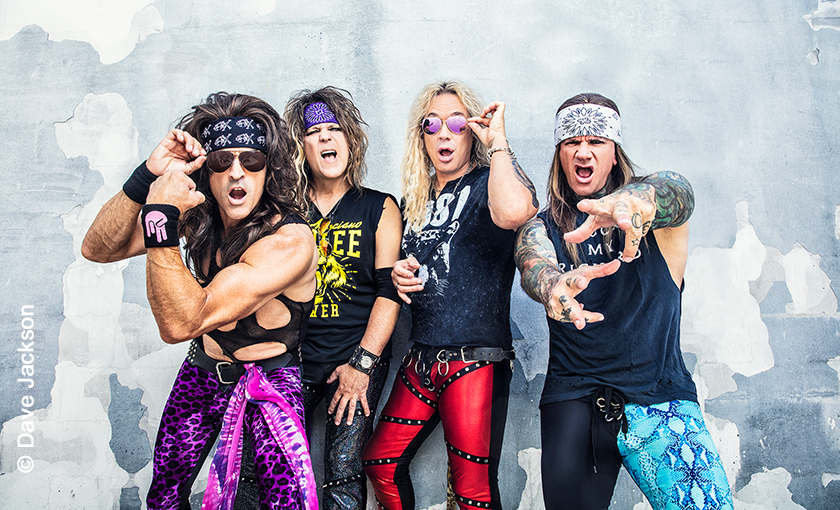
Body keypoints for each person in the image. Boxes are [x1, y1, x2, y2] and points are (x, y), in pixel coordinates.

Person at [81, 92, 319, 510]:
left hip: (270, 381)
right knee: (165, 497)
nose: (237, 172)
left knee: (284, 503)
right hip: (203, 371)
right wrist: (147, 177)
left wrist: (160, 216)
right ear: (206, 170)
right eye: (222, 160)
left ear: (269, 169)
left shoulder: (288, 242)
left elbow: (183, 323)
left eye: (252, 160)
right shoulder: (198, 219)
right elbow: (98, 248)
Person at [514, 93, 733, 510]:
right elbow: (533, 264)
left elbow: (678, 190)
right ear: (560, 154)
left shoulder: (655, 219)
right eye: (572, 142)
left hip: (660, 397)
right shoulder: (543, 227)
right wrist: (552, 286)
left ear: (614, 153)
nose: (583, 151)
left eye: (596, 141)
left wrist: (635, 201)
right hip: (575, 396)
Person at [362, 80, 539, 510]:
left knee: (472, 491)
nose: (444, 132)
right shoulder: (414, 199)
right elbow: (408, 265)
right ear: (421, 135)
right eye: (432, 124)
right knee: (381, 462)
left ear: (471, 131)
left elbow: (517, 212)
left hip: (475, 358)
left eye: (457, 123)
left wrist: (497, 142)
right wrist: (400, 274)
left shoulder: (489, 182)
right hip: (421, 356)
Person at [283, 86, 402, 510]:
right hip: (290, 360)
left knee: (344, 469)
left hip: (356, 355)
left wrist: (361, 365)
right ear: (301, 147)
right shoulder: (285, 212)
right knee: (265, 465)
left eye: (334, 129)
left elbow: (390, 290)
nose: (326, 137)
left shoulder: (380, 207)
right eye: (314, 132)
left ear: (350, 140)